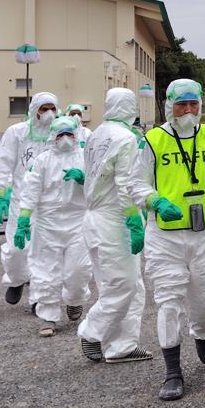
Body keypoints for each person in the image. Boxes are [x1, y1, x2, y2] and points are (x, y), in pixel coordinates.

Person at [129, 79, 205, 401]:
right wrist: (154, 201)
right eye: (182, 104)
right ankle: (173, 372)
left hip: (203, 234)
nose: (188, 110)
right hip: (165, 235)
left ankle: (203, 333)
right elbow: (136, 183)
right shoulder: (153, 141)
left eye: (193, 104)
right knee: (169, 302)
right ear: (170, 106)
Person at [77, 88, 152, 363]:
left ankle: (123, 345)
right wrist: (134, 221)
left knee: (129, 285)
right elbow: (126, 184)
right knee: (122, 285)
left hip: (97, 219)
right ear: (130, 107)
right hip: (114, 220)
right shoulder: (125, 138)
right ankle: (92, 332)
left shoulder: (97, 133)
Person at [12, 115, 92, 337]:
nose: (65, 138)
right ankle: (48, 316)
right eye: (60, 134)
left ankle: (75, 300)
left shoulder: (85, 158)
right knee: (45, 271)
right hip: (48, 223)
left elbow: (100, 188)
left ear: (76, 135)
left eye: (69, 134)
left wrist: (85, 179)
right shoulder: (42, 160)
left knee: (78, 269)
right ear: (53, 137)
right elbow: (30, 191)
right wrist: (23, 220)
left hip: (78, 221)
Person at [0, 91, 59, 307]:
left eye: (52, 109)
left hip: (50, 202)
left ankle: (40, 298)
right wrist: (0, 193)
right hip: (21, 200)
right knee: (16, 250)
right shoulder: (17, 132)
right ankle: (17, 279)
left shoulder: (60, 133)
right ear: (34, 110)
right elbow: (3, 163)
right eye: (44, 108)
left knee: (45, 253)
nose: (49, 113)